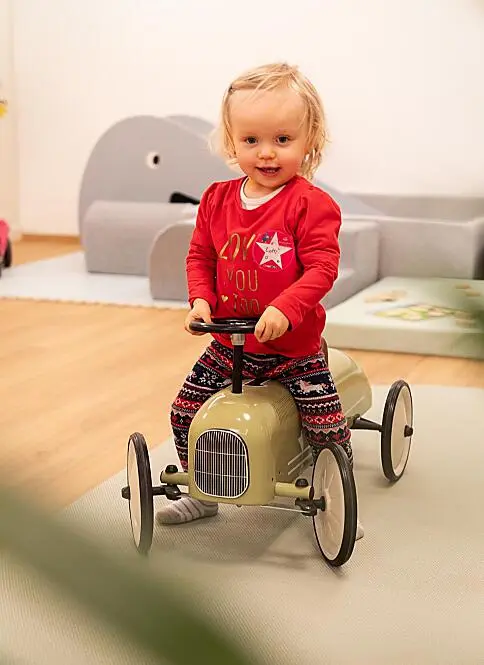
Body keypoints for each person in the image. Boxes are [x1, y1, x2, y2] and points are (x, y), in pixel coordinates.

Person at [156, 62, 363, 540]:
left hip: (294, 351)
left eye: (282, 139)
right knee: (184, 412)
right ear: (232, 142)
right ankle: (202, 492)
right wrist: (201, 301)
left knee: (326, 426)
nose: (266, 153)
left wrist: (284, 309)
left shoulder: (310, 204)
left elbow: (322, 269)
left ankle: (338, 495)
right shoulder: (216, 200)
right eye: (251, 140)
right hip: (229, 344)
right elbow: (200, 257)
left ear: (310, 140)